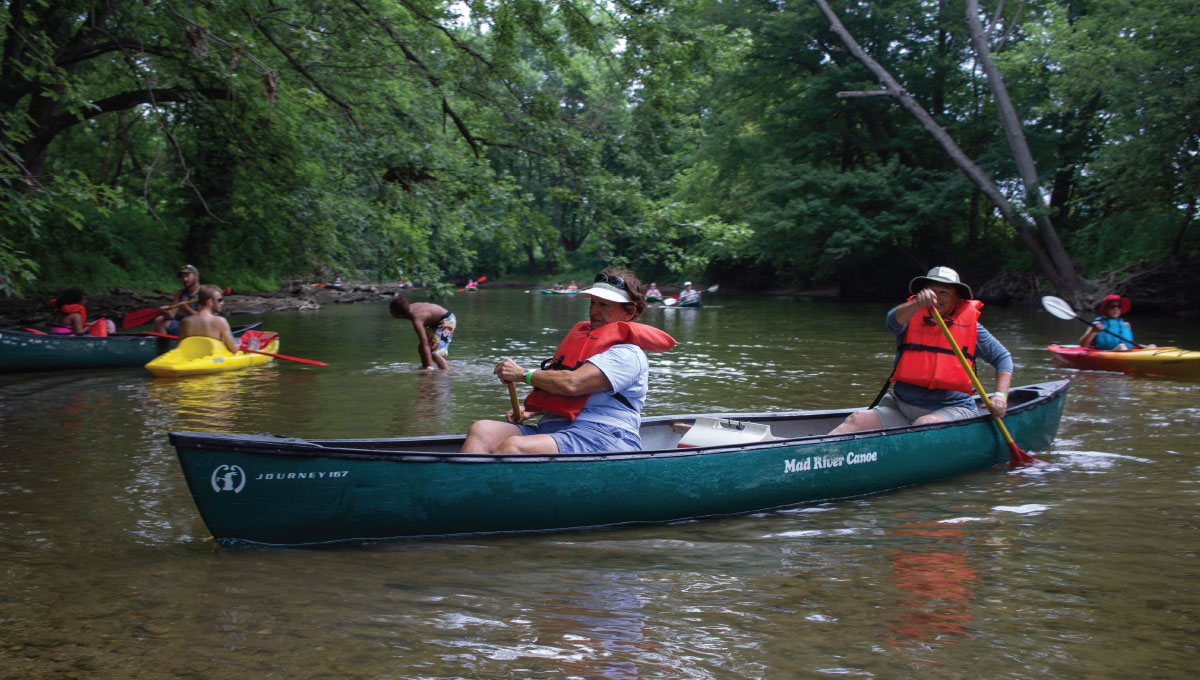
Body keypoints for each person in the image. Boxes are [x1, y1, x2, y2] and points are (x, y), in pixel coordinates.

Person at [460, 267, 677, 454]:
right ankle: (463, 491)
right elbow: (575, 397)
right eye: (593, 303)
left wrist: (522, 374)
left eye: (604, 305)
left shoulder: (627, 354)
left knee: (514, 447)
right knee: (483, 430)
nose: (594, 311)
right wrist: (534, 411)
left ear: (629, 312)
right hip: (556, 429)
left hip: (604, 436)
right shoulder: (584, 344)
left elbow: (573, 384)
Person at [830, 266, 1013, 434]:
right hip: (900, 407)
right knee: (858, 418)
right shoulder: (909, 316)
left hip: (950, 409)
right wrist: (916, 304)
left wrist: (1000, 397)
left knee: (924, 424)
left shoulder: (972, 329)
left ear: (957, 299)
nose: (936, 298)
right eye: (932, 291)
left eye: (944, 293)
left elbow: (1002, 358)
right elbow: (891, 321)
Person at [389, 296, 455, 370]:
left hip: (447, 320)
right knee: (421, 348)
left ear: (398, 315)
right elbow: (426, 304)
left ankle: (446, 372)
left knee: (434, 352)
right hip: (433, 323)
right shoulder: (409, 308)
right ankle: (425, 368)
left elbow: (425, 343)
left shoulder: (416, 319)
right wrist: (428, 320)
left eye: (391, 311)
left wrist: (430, 367)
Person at [1079, 294, 1153, 350]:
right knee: (1122, 346)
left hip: (1126, 352)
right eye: (1112, 306)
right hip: (1108, 353)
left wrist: (1145, 347)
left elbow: (1131, 344)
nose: (1116, 309)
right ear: (1106, 309)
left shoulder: (1126, 325)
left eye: (1119, 306)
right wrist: (1093, 331)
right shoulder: (1097, 324)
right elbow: (1083, 345)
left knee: (1152, 346)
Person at [178, 285, 238, 352]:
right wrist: (238, 343)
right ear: (210, 301)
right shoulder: (220, 321)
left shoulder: (185, 322)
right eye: (220, 300)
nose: (222, 303)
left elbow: (180, 347)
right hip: (214, 360)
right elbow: (234, 349)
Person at [154, 264, 203, 335]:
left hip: (199, 327)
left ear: (196, 276)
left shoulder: (203, 292)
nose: (184, 279)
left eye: (187, 276)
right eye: (182, 277)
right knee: (159, 320)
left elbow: (202, 318)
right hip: (183, 325)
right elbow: (171, 315)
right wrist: (165, 312)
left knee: (188, 323)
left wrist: (187, 309)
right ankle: (164, 345)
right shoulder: (180, 293)